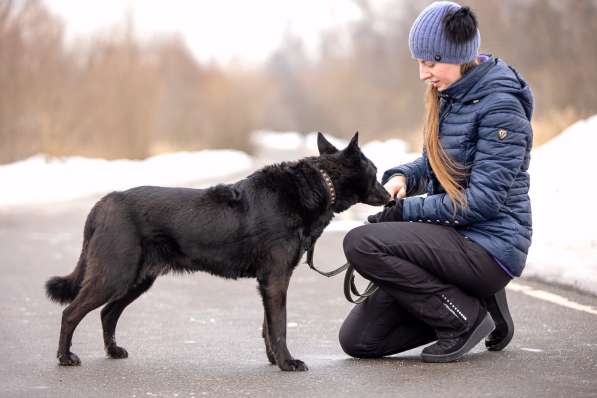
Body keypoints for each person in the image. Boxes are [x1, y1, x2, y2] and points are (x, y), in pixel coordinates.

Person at [339, 1, 533, 363]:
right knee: (360, 342)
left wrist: (403, 211)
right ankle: (476, 305)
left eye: (430, 63)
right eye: (419, 62)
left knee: (361, 243)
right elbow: (435, 167)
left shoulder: (501, 107)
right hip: (455, 239)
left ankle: (464, 317)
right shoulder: (451, 96)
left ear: (460, 55)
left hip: (489, 247)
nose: (422, 73)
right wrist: (402, 178)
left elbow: (482, 202)